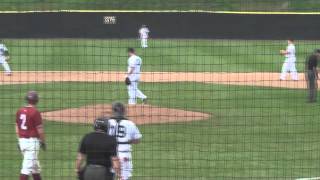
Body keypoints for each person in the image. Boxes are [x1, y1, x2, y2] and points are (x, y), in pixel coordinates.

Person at [107, 102, 142, 180]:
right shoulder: (130, 123)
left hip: (110, 156)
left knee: (109, 177)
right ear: (123, 111)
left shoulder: (108, 122)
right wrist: (129, 141)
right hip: (125, 155)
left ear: (113, 111)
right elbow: (138, 140)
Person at [16, 91, 46, 180]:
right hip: (32, 144)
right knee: (26, 169)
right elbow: (40, 130)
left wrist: (19, 140)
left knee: (35, 168)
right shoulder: (35, 112)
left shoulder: (20, 111)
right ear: (36, 100)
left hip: (22, 142)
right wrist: (43, 142)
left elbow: (17, 126)